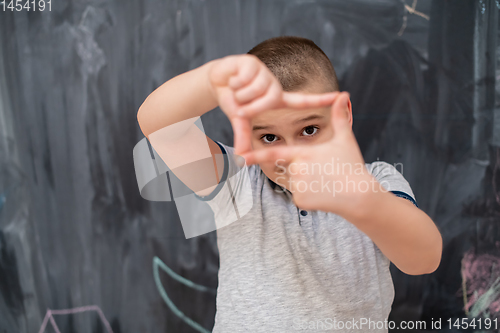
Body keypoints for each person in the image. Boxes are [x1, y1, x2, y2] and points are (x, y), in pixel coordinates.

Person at [137, 36, 442, 332]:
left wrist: (362, 200)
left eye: (309, 129)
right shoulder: (236, 181)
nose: (291, 153)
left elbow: (423, 260)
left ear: (343, 115)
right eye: (269, 137)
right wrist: (212, 82)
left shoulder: (376, 181)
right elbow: (159, 125)